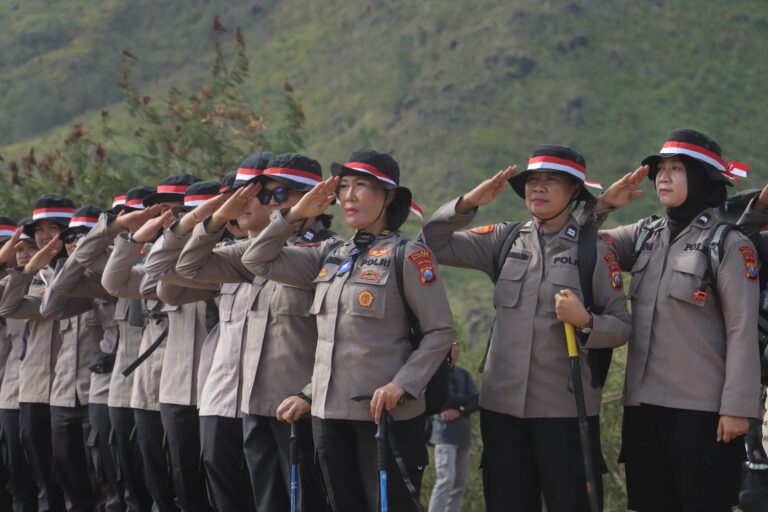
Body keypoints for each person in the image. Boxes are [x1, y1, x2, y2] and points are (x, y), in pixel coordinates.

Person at [241, 148, 456, 511]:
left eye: (362, 186)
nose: (350, 196)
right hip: (328, 415)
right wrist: (294, 215)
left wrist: (401, 384)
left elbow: (440, 333)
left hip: (384, 415)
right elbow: (256, 258)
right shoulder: (331, 253)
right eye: (344, 187)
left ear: (388, 196)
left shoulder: (410, 254)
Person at [421, 145, 632, 512]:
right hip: (502, 411)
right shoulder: (503, 240)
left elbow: (622, 327)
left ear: (575, 192)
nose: (538, 188)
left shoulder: (594, 251)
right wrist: (469, 202)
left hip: (566, 412)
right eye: (533, 181)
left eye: (551, 181)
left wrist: (586, 322)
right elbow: (431, 244)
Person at [585, 128, 760, 511]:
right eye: (659, 169)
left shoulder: (729, 244)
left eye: (676, 168)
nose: (662, 176)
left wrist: (737, 407)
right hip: (643, 411)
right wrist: (602, 206)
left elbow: (742, 328)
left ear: (701, 177)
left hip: (702, 414)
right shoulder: (646, 235)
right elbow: (581, 244)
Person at [174, 152, 332, 511]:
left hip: (299, 408)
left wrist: (308, 394)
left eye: (279, 195)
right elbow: (185, 265)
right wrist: (216, 218)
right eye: (265, 195)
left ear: (317, 197)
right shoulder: (257, 251)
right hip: (254, 405)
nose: (269, 203)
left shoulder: (327, 250)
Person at [0, 194, 76, 512]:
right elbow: (9, 304)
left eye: (53, 227)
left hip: (67, 387)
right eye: (38, 229)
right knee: (25, 475)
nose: (44, 236)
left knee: (69, 475)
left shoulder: (76, 273)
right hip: (25, 387)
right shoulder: (27, 279)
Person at [0, 219, 39, 511]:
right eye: (17, 248)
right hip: (12, 389)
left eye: (29, 248)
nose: (21, 253)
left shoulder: (44, 282)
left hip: (31, 391)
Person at [427, 341, 478, 512]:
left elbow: (477, 400)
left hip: (462, 434)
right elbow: (440, 400)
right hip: (444, 435)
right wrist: (463, 399)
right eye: (452, 345)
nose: (456, 348)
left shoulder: (463, 374)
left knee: (459, 483)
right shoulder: (435, 373)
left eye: (457, 345)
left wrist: (460, 410)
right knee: (445, 479)